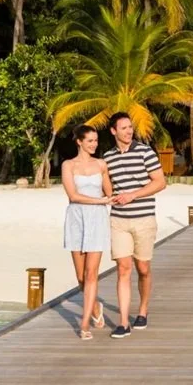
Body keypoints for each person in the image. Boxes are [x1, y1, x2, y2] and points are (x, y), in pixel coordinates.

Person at [104, 112, 167, 339]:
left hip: (143, 218)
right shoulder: (107, 157)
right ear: (113, 131)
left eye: (130, 127)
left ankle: (142, 311)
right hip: (118, 220)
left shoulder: (145, 152)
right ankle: (123, 322)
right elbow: (106, 187)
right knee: (123, 269)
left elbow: (160, 182)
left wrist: (133, 195)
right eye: (124, 128)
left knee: (143, 268)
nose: (129, 131)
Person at [61, 125, 113, 340]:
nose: (94, 144)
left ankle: (84, 325)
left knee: (92, 274)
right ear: (79, 142)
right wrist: (99, 200)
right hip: (76, 219)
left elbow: (109, 191)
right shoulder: (68, 165)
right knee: (81, 276)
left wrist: (109, 198)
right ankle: (95, 308)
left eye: (96, 140)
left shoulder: (101, 164)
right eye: (90, 141)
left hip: (97, 219)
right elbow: (72, 195)